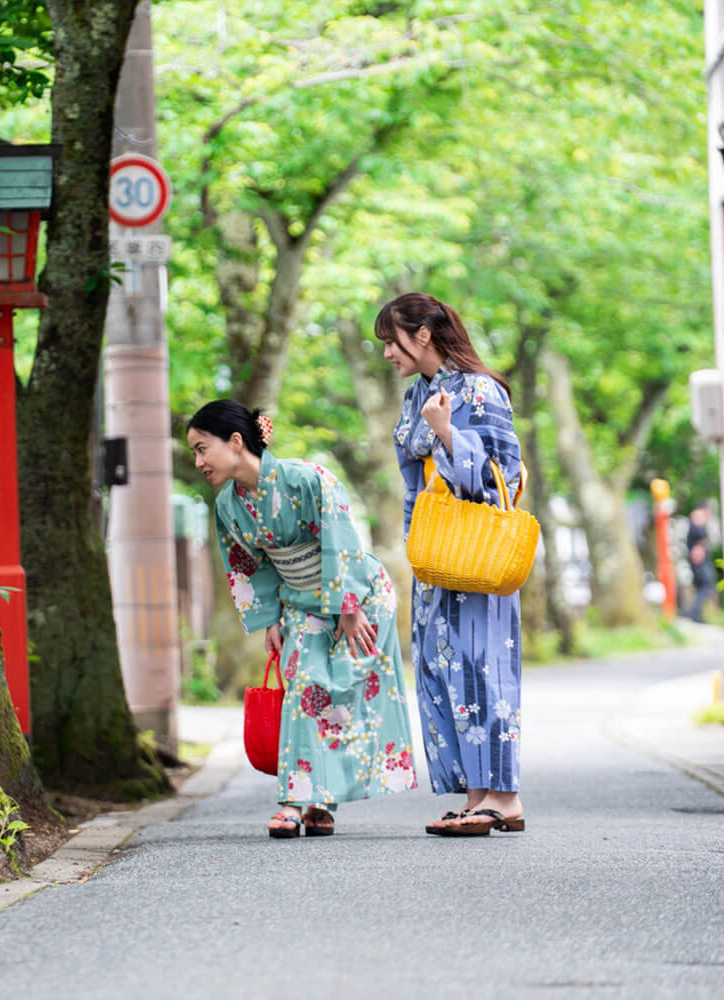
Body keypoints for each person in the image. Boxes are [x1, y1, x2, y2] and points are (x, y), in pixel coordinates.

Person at [188, 400, 416, 838]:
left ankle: (320, 802)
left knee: (345, 689)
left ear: (235, 442)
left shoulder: (307, 479)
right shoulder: (229, 506)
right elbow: (248, 566)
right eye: (195, 453)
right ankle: (294, 802)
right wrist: (269, 619)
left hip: (358, 595)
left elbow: (341, 535)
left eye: (202, 449)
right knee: (304, 687)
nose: (199, 462)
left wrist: (349, 608)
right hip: (300, 602)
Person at [376, 292, 526, 837]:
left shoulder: (481, 391)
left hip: (477, 550)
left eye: (391, 340)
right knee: (441, 670)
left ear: (422, 334)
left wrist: (444, 432)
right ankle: (475, 797)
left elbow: (503, 476)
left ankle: (505, 797)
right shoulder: (417, 393)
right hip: (434, 550)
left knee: (483, 666)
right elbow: (410, 478)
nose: (387, 353)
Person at [686, 503, 717, 623]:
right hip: (700, 561)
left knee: (702, 587)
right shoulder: (696, 522)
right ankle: (694, 613)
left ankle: (696, 613)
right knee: (706, 586)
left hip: (699, 561)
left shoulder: (695, 523)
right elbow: (700, 537)